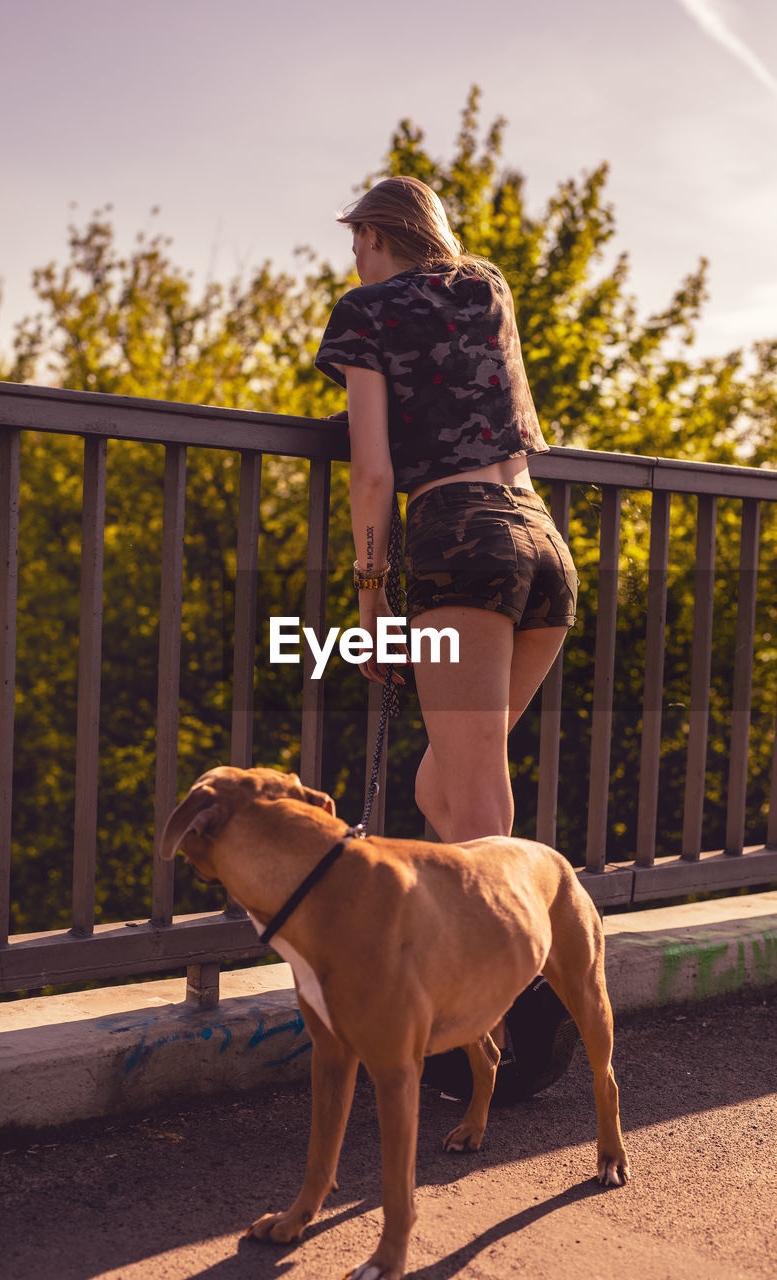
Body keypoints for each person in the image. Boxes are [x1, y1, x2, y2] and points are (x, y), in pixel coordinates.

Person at [314, 175, 580, 1099]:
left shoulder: (364, 310)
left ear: (379, 236)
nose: (355, 261)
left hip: (456, 547)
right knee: (443, 781)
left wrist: (369, 593)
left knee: (476, 820)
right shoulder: (486, 285)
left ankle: (509, 1047)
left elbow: (372, 472)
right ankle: (481, 1009)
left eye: (359, 244)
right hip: (540, 544)